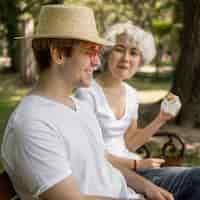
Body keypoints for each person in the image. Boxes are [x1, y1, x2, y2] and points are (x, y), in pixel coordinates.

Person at [0, 5, 174, 200]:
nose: (97, 62)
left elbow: (103, 163)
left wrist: (146, 187)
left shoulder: (78, 106)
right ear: (58, 54)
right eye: (90, 52)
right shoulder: (32, 124)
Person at [75, 21, 200, 200]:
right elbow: (90, 153)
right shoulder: (87, 93)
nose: (126, 58)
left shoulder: (131, 94)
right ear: (108, 52)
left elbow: (130, 142)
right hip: (107, 173)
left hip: (135, 168)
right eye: (119, 49)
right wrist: (136, 164)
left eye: (134, 53)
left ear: (140, 60)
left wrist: (162, 118)